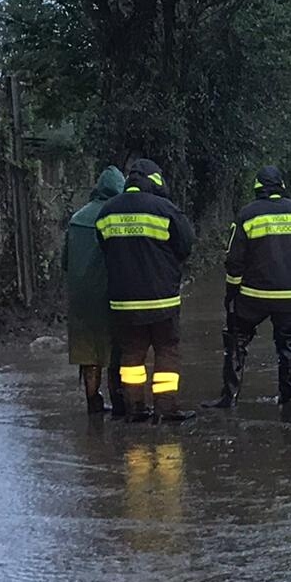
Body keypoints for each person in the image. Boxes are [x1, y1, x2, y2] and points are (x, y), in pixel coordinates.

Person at [206, 165, 291, 413]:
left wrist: (231, 295)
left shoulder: (248, 214)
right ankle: (286, 398)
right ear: (282, 186)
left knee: (237, 340)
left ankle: (230, 397)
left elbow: (234, 261)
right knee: (289, 346)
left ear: (257, 188)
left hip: (252, 297)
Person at [95, 158, 196, 424]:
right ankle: (165, 409)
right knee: (167, 351)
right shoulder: (165, 209)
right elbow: (185, 245)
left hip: (123, 302)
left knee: (131, 356)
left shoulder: (107, 212)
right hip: (162, 299)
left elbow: (104, 248)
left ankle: (135, 409)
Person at [63, 165, 125, 415]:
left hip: (79, 298)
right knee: (114, 351)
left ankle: (93, 402)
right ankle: (119, 404)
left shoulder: (77, 219)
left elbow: (64, 262)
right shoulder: (116, 218)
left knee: (88, 352)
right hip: (110, 295)